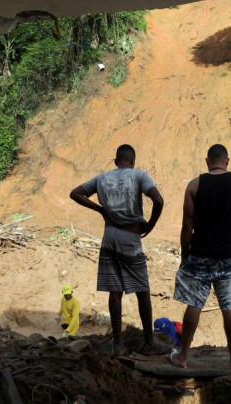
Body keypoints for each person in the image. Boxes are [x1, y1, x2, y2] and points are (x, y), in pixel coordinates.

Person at [69, 144, 169, 356]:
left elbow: (75, 193)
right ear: (132, 161)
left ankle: (118, 344)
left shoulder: (101, 178)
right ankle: (149, 343)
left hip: (109, 236)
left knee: (116, 290)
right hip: (130, 237)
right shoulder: (139, 176)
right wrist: (150, 225)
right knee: (142, 289)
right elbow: (158, 200)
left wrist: (100, 209)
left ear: (116, 161)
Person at [169, 144, 231, 371]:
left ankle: (183, 357)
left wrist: (185, 254)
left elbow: (187, 224)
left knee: (194, 304)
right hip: (230, 256)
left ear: (207, 161)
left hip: (200, 255)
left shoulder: (194, 185)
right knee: (229, 306)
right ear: (227, 161)